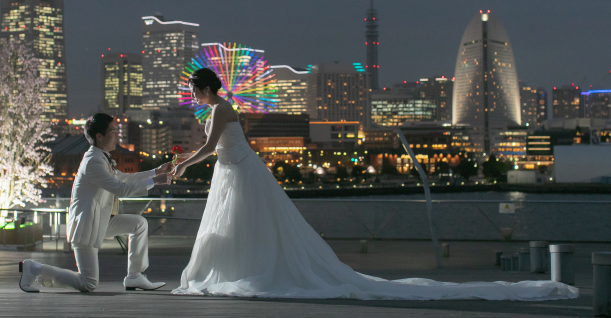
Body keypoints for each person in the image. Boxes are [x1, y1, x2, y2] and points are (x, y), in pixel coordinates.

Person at [170, 68, 579, 300]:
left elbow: (208, 147)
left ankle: (246, 270)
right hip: (231, 172)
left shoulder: (222, 108)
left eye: (193, 89)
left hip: (239, 172)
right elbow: (208, 147)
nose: (191, 94)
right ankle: (238, 269)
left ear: (206, 88)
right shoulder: (216, 109)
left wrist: (185, 165)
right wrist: (183, 163)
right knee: (242, 225)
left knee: (247, 223)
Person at [19, 113, 172, 293]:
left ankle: (134, 276)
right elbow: (120, 188)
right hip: (86, 227)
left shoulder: (102, 157)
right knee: (88, 283)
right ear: (99, 136)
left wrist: (156, 172)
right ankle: (34, 269)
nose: (117, 135)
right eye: (113, 131)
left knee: (139, 224)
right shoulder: (93, 161)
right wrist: (156, 181)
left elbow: (124, 178)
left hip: (100, 222)